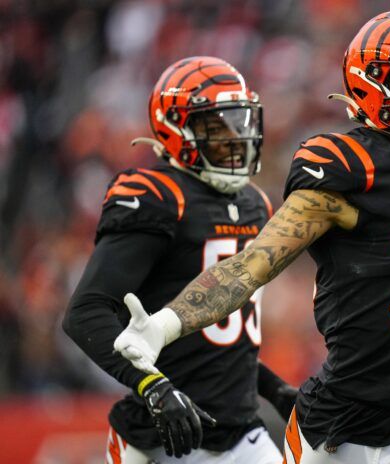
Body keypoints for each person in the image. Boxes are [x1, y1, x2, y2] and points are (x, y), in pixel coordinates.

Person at [112, 12, 390, 464]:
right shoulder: (349, 168)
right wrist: (165, 325)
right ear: (371, 86)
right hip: (338, 430)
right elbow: (251, 266)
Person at [63, 56, 296, 464]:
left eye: (239, 123)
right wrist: (152, 386)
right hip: (164, 433)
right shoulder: (158, 196)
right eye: (215, 127)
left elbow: (221, 338)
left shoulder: (254, 203)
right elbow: (85, 311)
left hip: (240, 430)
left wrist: (273, 389)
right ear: (174, 130)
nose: (234, 138)